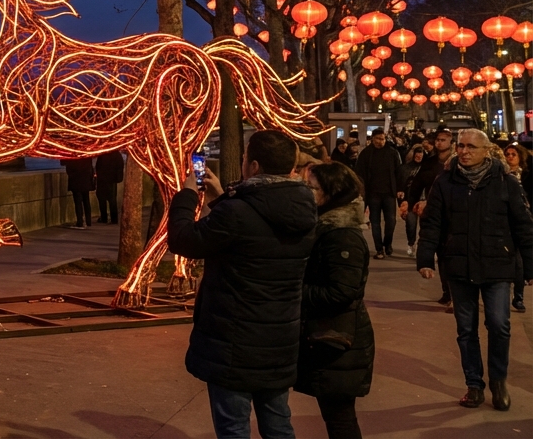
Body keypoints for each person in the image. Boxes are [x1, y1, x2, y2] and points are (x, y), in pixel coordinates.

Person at [169, 129, 318, 439]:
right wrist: (221, 198)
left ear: (254, 167)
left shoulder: (236, 213)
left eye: (245, 158)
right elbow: (257, 231)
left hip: (233, 343)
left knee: (233, 428)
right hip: (279, 339)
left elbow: (183, 240)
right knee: (278, 424)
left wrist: (186, 194)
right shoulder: (303, 207)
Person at [417, 129, 533, 411]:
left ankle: (498, 381)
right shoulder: (445, 181)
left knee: (499, 325)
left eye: (471, 147)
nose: (464, 151)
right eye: (461, 146)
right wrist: (425, 257)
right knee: (466, 329)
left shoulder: (506, 182)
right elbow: (433, 222)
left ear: (486, 151)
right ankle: (474, 384)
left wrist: (529, 265)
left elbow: (523, 226)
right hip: (458, 264)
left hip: (497, 264)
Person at [296, 162, 375, 439]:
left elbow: (341, 292)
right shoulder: (325, 226)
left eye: (312, 187)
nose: (307, 191)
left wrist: (295, 291)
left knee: (340, 417)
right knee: (337, 416)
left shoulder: (342, 236)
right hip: (330, 336)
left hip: (337, 340)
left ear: (332, 193)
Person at [415, 129, 456, 306]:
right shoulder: (430, 164)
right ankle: (448, 291)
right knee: (443, 255)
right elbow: (417, 183)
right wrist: (411, 202)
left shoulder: (459, 166)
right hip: (436, 214)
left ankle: (456, 294)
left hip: (456, 219)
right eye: (437, 140)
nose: (439, 143)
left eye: (443, 140)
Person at [353, 129, 404, 259]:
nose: (380, 141)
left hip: (389, 193)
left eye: (382, 139)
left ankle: (388, 244)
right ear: (372, 139)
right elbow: (359, 174)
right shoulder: (366, 154)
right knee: (375, 222)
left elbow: (399, 172)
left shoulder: (392, 153)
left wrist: (400, 188)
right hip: (373, 193)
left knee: (391, 221)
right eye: (377, 139)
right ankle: (379, 249)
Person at [503, 143, 531, 313]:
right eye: (508, 154)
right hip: (505, 224)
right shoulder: (501, 175)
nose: (511, 157)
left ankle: (518, 296)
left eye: (514, 154)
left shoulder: (527, 176)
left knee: (519, 263)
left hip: (522, 223)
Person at [398, 146, 426, 257]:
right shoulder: (406, 168)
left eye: (421, 154)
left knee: (425, 226)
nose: (419, 156)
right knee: (411, 224)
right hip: (410, 199)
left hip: (424, 199)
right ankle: (411, 243)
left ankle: (422, 247)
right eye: (417, 154)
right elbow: (401, 184)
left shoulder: (427, 168)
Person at [62, 156, 96, 229]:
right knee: (86, 200)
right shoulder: (85, 153)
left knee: (78, 202)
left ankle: (80, 222)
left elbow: (64, 163)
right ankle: (88, 221)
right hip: (86, 180)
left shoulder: (72, 155)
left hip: (76, 180)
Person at [95, 149, 123, 224]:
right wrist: (118, 178)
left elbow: (98, 166)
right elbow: (120, 166)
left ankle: (104, 217)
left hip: (102, 179)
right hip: (112, 180)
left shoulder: (102, 154)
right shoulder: (117, 154)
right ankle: (114, 219)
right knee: (112, 200)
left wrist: (98, 175)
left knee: (102, 199)